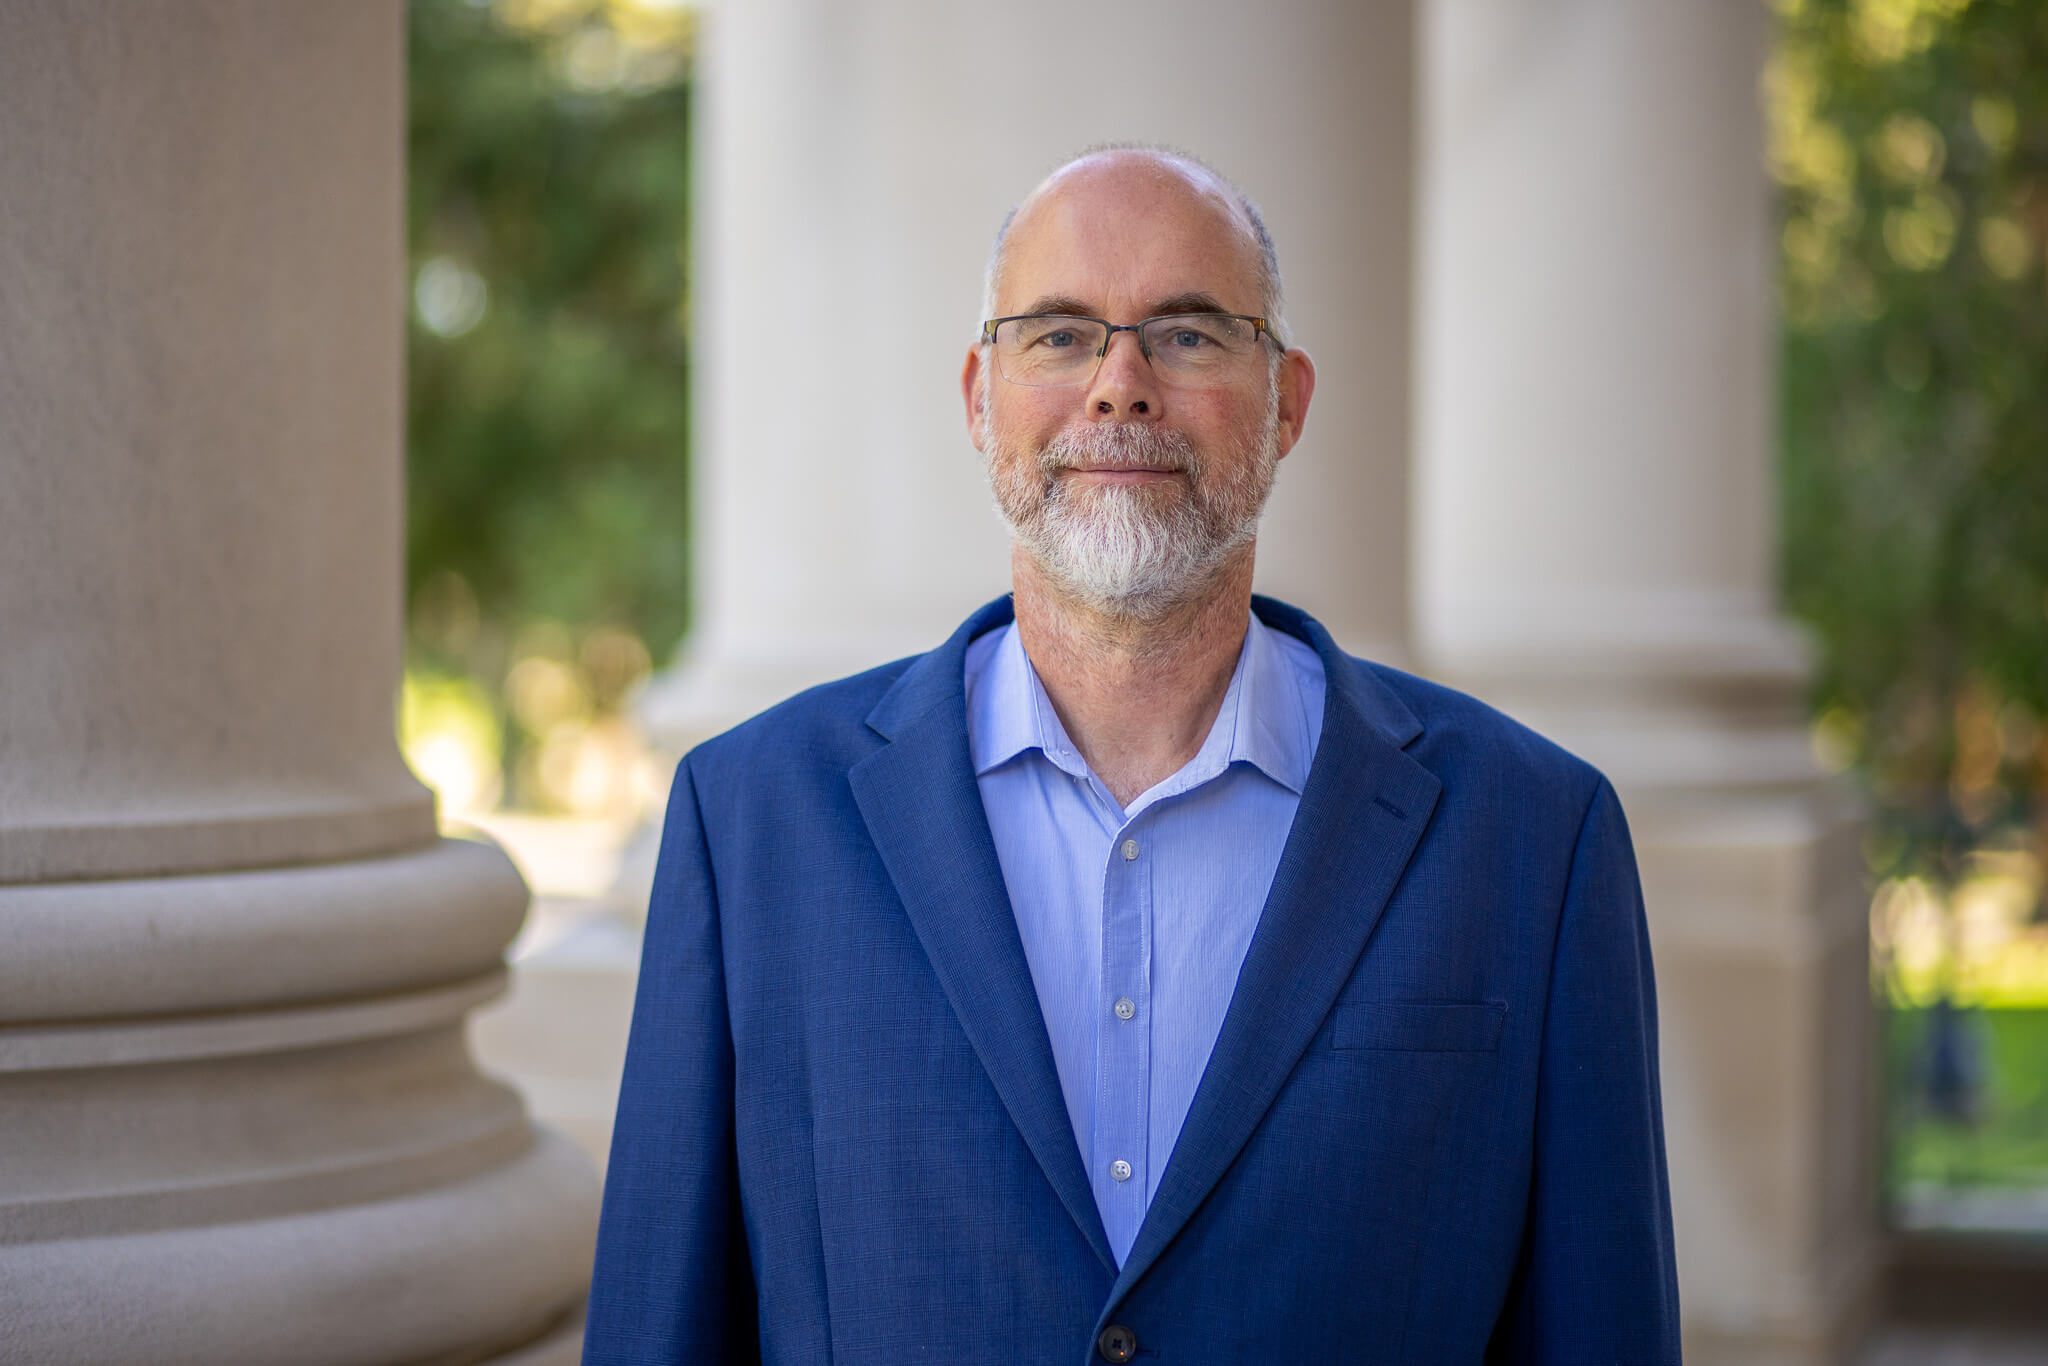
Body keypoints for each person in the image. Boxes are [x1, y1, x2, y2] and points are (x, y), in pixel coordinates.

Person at [583, 146, 1679, 1364]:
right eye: (1057, 335)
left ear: (1288, 401)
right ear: (977, 396)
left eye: (1190, 334)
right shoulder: (749, 822)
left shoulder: (1533, 836)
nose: (1120, 385)